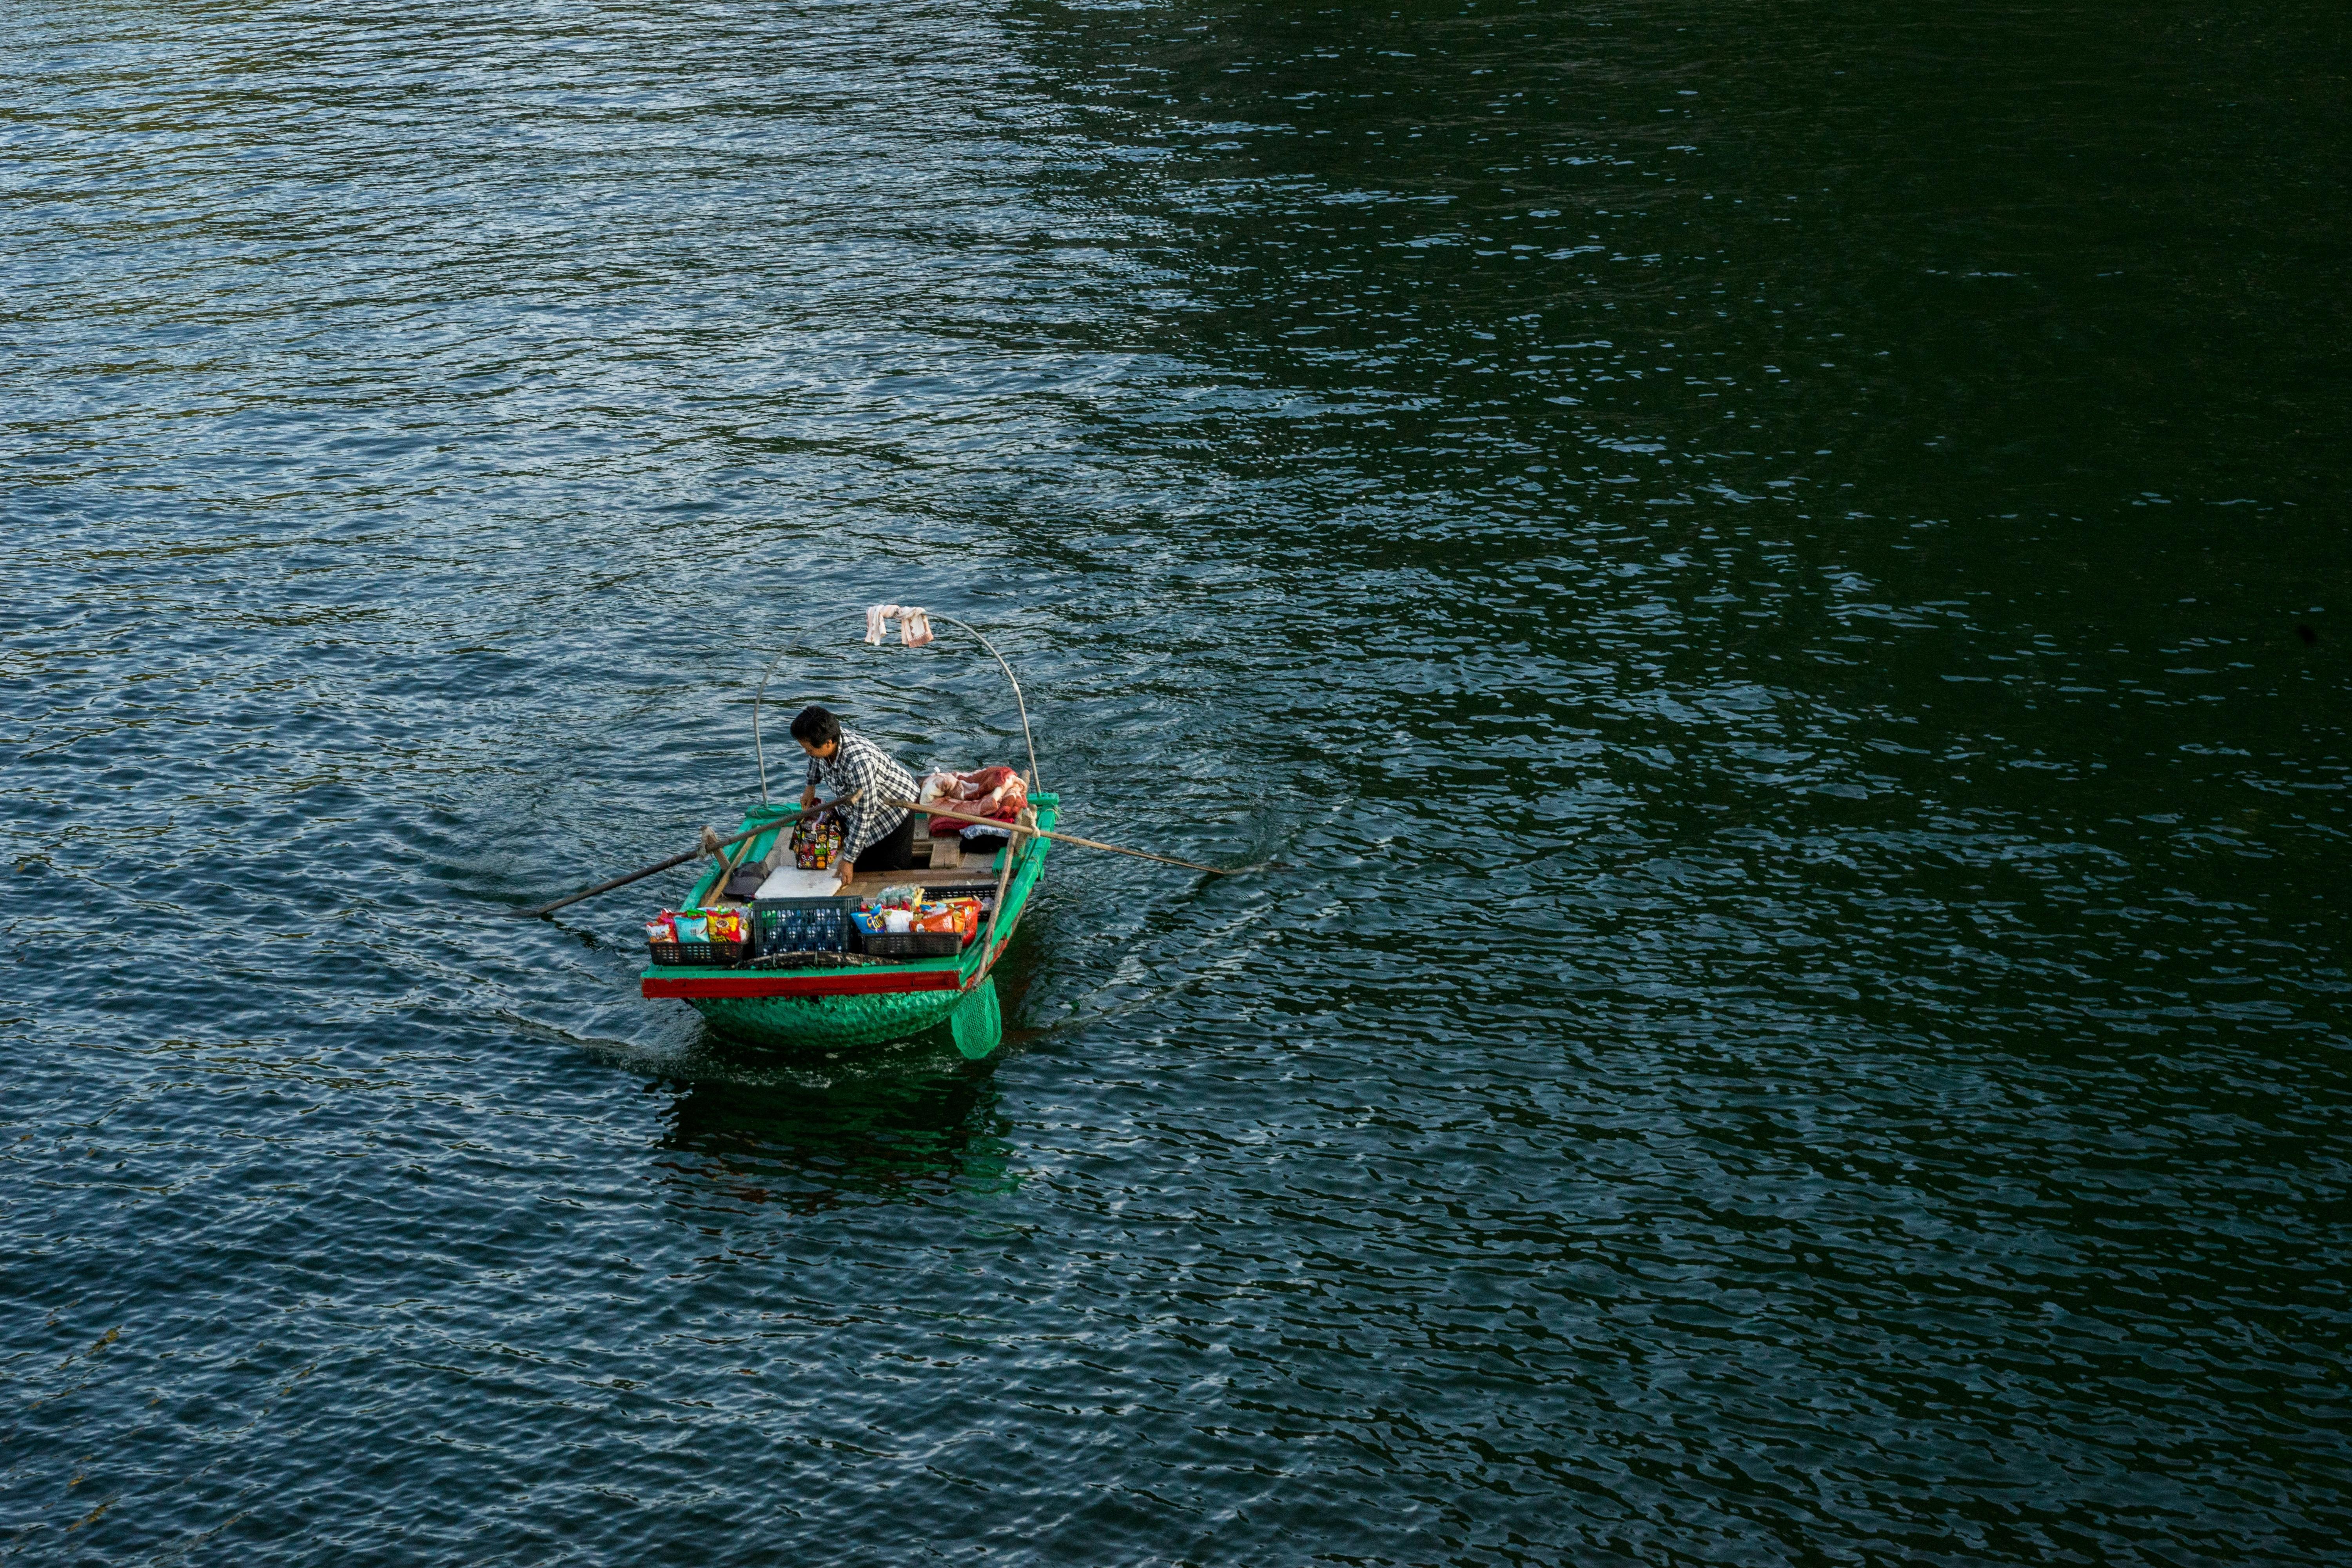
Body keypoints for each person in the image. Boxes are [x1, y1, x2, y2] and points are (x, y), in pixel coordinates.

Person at [791, 706, 919, 890]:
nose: (807, 753)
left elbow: (864, 814)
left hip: (894, 811)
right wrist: (810, 786)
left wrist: (849, 859)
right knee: (861, 866)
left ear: (829, 743)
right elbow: (815, 758)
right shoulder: (824, 744)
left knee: (890, 875)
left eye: (809, 750)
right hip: (859, 809)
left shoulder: (859, 763)